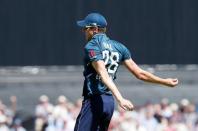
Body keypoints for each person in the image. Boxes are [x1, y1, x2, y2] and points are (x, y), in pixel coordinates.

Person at [74, 12, 178, 131]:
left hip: (94, 101)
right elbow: (140, 73)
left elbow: (104, 74)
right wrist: (164, 81)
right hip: (108, 103)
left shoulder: (91, 46)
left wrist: (120, 98)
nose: (83, 31)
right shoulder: (119, 47)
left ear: (95, 29)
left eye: (85, 28)